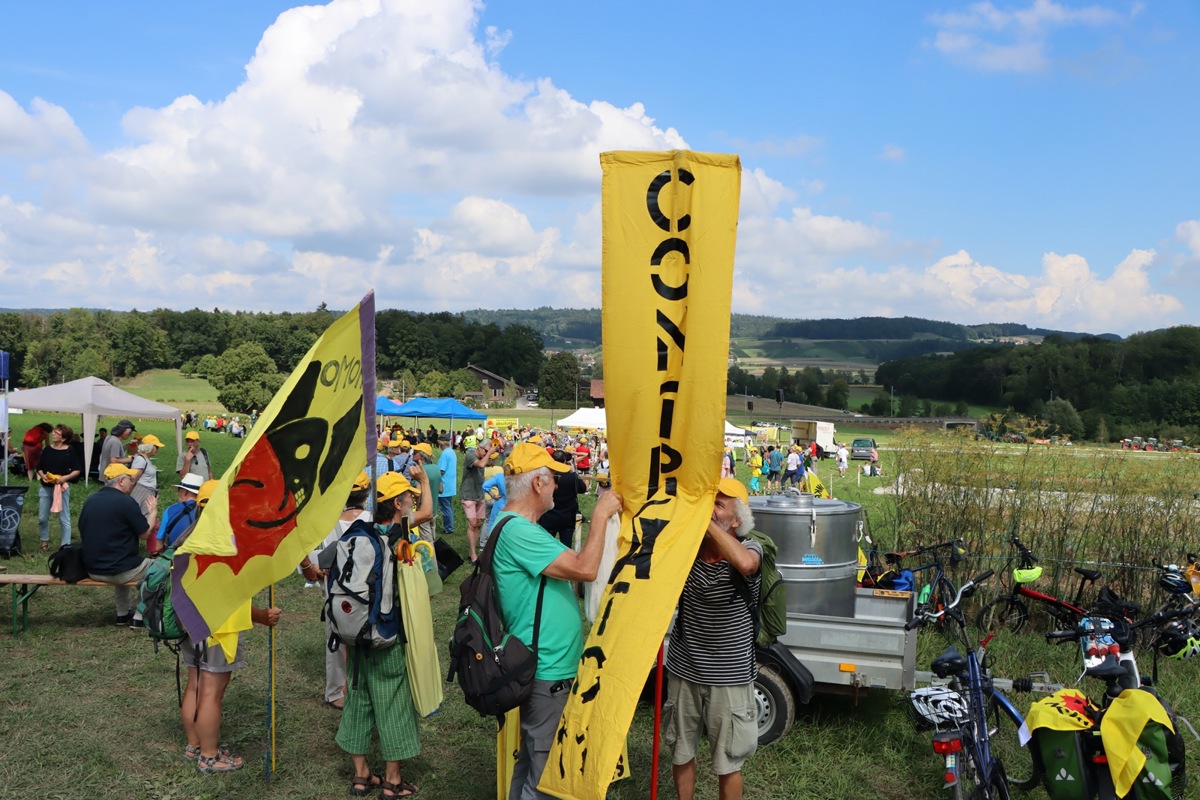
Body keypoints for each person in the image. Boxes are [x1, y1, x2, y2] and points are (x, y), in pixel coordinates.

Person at [492, 442, 624, 800]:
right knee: (548, 777)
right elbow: (585, 568)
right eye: (553, 479)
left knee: (531, 764)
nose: (557, 486)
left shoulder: (520, 526)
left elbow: (574, 560)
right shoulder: (518, 531)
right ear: (537, 484)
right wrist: (600, 514)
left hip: (542, 666)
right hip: (547, 669)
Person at [335, 467, 432, 799]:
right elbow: (428, 512)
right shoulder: (398, 533)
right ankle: (392, 781)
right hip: (387, 634)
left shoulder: (359, 530)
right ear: (396, 504)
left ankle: (361, 775)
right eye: (407, 498)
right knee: (393, 703)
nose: (411, 502)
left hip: (355, 634)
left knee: (358, 700)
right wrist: (425, 480)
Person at [664, 477, 762, 800]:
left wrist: (703, 521)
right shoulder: (689, 548)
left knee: (728, 762)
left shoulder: (752, 548)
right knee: (681, 750)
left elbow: (746, 564)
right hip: (684, 668)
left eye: (718, 505)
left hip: (729, 676)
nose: (710, 508)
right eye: (708, 502)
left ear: (736, 521)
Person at [299, 471, 373, 709]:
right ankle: (365, 688)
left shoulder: (326, 523)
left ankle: (336, 692)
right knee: (367, 640)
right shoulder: (373, 520)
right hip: (368, 593)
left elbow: (314, 560)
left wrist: (316, 571)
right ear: (366, 494)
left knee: (336, 641)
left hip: (335, 594)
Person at [79, 463, 152, 626]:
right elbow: (145, 534)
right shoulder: (126, 502)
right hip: (118, 570)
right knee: (158, 568)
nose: (132, 483)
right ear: (120, 481)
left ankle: (122, 614)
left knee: (125, 561)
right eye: (130, 479)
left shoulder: (90, 500)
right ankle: (139, 617)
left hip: (92, 569)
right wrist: (152, 512)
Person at [36, 423, 83, 551]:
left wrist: (65, 478)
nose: (53, 434)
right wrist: (43, 475)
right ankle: (44, 540)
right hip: (46, 488)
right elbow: (39, 467)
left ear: (63, 438)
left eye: (56, 433)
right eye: (54, 432)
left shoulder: (69, 451)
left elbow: (77, 470)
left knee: (64, 518)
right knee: (42, 518)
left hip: (61, 489)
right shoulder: (47, 449)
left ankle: (65, 545)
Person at [537, 449, 587, 549]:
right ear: (565, 461)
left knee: (546, 547)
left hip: (548, 516)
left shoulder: (547, 476)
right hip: (567, 517)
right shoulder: (571, 477)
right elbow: (583, 489)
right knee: (566, 547)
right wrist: (574, 472)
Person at [459, 442, 492, 562]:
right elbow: (481, 464)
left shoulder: (483, 457)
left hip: (479, 494)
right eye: (485, 451)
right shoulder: (470, 456)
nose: (486, 454)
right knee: (472, 524)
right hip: (468, 495)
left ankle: (471, 551)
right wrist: (490, 453)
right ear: (479, 448)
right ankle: (473, 554)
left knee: (478, 523)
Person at [157, 473, 203, 549]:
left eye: (179, 489)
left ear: (185, 491)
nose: (177, 493)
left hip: (175, 555)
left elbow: (158, 545)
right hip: (199, 554)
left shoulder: (170, 510)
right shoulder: (206, 511)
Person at [130, 435, 165, 534]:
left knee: (148, 515)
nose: (157, 449)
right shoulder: (141, 460)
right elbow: (133, 478)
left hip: (148, 491)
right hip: (141, 491)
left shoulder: (145, 459)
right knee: (141, 515)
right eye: (156, 446)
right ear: (149, 447)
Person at [409, 443, 440, 546]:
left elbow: (418, 493)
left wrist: (408, 490)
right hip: (434, 510)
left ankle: (432, 556)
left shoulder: (419, 471)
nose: (413, 453)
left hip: (423, 510)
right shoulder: (436, 468)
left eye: (415, 452)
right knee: (432, 538)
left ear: (422, 457)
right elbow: (441, 489)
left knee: (427, 543)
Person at [437, 437, 457, 536]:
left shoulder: (444, 454)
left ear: (441, 443)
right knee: (448, 507)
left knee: (445, 508)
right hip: (450, 484)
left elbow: (441, 470)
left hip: (444, 484)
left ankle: (448, 528)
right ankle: (450, 526)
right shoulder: (451, 452)